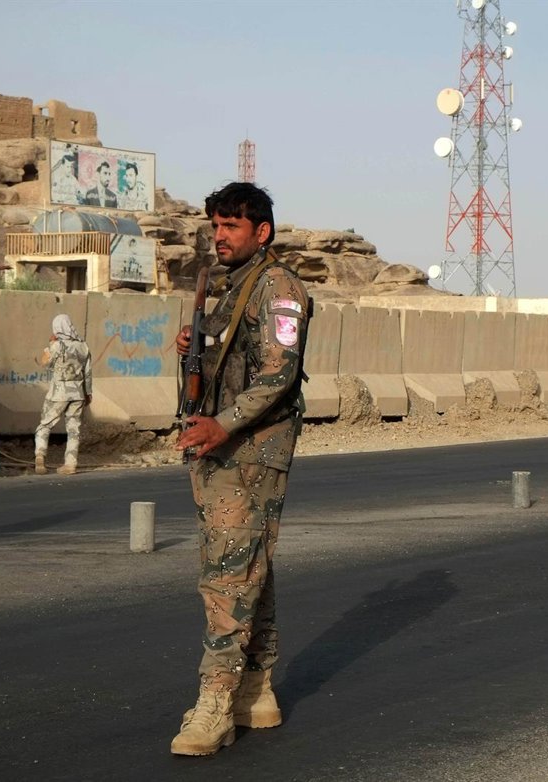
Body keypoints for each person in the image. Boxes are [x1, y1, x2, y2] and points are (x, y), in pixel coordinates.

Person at [169, 182, 310, 757]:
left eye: (231, 227)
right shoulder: (231, 287)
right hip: (222, 447)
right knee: (250, 567)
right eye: (216, 227)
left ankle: (215, 704)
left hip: (250, 451)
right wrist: (193, 348)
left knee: (227, 577)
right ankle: (256, 689)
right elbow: (229, 363)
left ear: (262, 232)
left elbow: (279, 373)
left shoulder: (279, 287)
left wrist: (222, 425)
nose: (220, 237)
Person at [34, 314, 92, 476]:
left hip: (58, 393)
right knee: (74, 430)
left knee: (45, 425)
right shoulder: (83, 346)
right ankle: (70, 464)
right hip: (77, 393)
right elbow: (88, 373)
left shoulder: (56, 346)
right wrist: (88, 393)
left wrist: (49, 346)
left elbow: (45, 364)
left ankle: (40, 456)